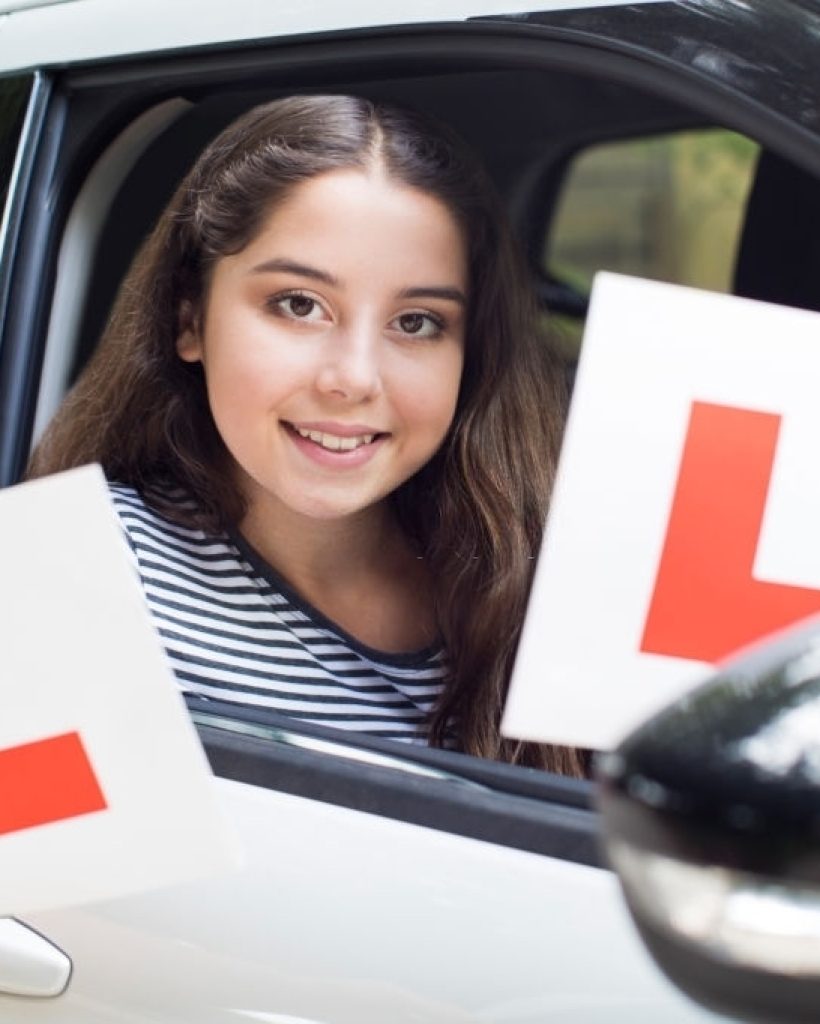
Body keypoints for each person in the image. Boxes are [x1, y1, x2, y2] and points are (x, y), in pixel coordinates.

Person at [28, 94, 588, 776]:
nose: (353, 379)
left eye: (416, 323)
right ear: (189, 319)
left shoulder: (539, 575)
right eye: (299, 305)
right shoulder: (62, 576)